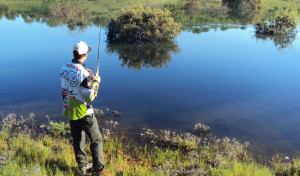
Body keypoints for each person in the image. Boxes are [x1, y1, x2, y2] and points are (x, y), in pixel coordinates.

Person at [60, 41, 105, 175]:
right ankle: (98, 170)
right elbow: (90, 95)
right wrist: (96, 81)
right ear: (85, 54)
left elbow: (74, 79)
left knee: (78, 139)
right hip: (83, 111)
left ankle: (83, 166)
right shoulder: (83, 74)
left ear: (74, 53)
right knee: (96, 139)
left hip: (69, 108)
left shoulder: (64, 67)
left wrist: (86, 73)